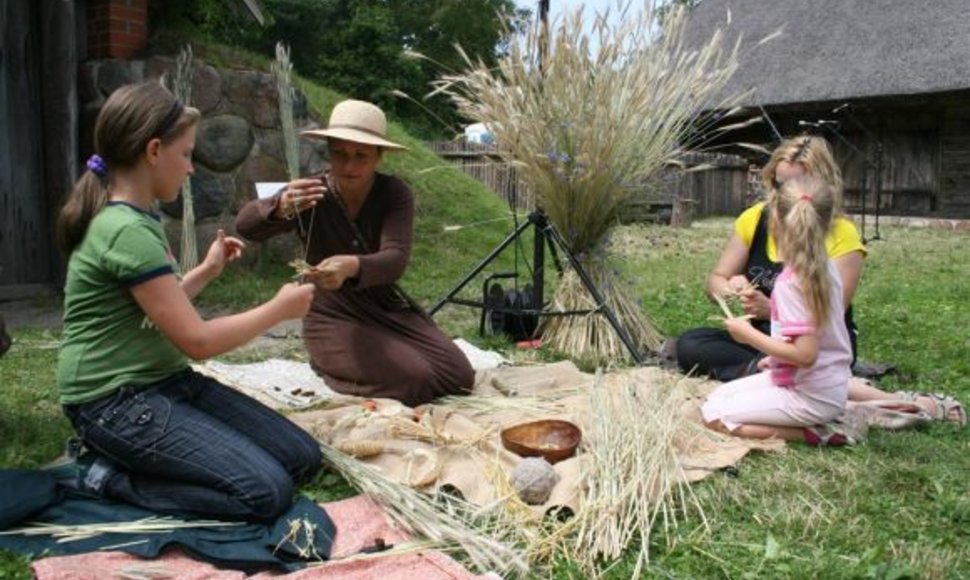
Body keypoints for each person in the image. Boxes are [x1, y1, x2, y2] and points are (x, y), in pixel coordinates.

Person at [54, 81, 321, 522]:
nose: (191, 169)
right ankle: (106, 476)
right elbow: (196, 341)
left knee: (301, 457)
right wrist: (279, 309)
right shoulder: (124, 229)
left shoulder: (137, 218)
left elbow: (156, 305)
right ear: (154, 151)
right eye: (186, 154)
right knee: (264, 493)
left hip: (164, 383)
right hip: (111, 403)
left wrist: (206, 273)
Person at [676, 135, 965, 426]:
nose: (779, 195)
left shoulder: (841, 234)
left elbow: (827, 317)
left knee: (732, 394)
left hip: (814, 348)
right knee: (691, 344)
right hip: (770, 342)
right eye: (778, 184)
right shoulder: (754, 219)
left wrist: (769, 309)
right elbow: (715, 279)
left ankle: (865, 400)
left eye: (791, 186)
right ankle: (800, 385)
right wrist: (731, 289)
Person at [235, 99, 474, 407]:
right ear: (329, 152)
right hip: (330, 313)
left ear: (379, 156)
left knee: (459, 376)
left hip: (385, 306)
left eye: (361, 156)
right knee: (418, 379)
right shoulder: (310, 193)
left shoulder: (393, 193)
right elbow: (246, 226)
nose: (349, 166)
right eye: (340, 154)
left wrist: (351, 265)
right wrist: (278, 208)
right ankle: (330, 364)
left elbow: (395, 259)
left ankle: (367, 361)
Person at [702, 176, 861, 445]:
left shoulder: (791, 284)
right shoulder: (825, 266)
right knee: (717, 397)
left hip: (809, 394)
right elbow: (819, 338)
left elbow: (806, 355)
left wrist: (748, 335)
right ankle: (821, 420)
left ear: (774, 219)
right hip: (823, 384)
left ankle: (820, 433)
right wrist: (776, 360)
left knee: (714, 415)